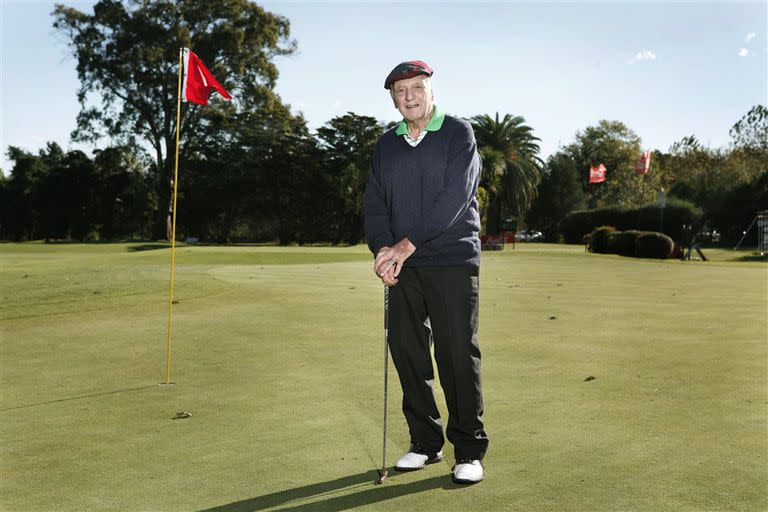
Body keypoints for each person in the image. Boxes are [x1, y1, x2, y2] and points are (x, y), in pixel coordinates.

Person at [363, 60, 488, 485]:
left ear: (431, 91)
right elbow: (375, 203)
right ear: (393, 99)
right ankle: (425, 443)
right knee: (408, 353)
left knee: (456, 353)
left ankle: (468, 449)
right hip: (402, 266)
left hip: (452, 259)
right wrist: (382, 249)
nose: (410, 96)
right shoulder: (386, 146)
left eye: (417, 87)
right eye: (400, 91)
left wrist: (404, 246)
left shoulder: (458, 134)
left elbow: (455, 199)